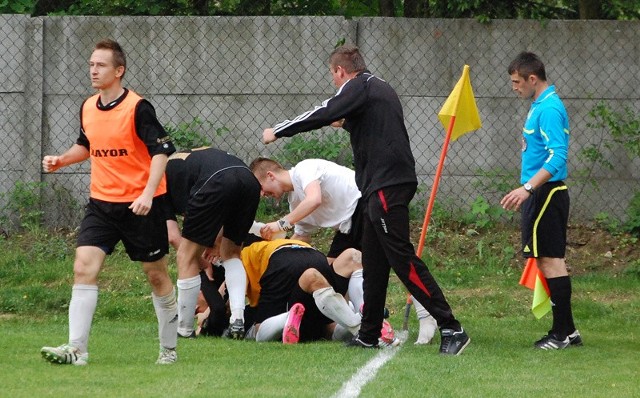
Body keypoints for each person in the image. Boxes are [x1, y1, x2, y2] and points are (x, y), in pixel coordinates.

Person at [261, 44, 469, 354]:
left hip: (387, 185)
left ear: (340, 71)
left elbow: (324, 110)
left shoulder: (360, 85)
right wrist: (347, 122)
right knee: (373, 263)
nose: (334, 84)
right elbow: (373, 127)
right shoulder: (376, 89)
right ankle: (369, 333)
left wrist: (278, 130)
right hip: (376, 188)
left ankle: (451, 327)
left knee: (401, 257)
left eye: (333, 77)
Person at [40, 39, 178, 365]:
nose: (93, 70)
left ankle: (168, 350)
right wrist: (62, 160)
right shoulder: (88, 106)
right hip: (102, 203)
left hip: (142, 205)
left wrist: (147, 193)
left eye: (100, 65)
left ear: (119, 71)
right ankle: (77, 350)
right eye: (90, 64)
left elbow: (162, 151)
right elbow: (86, 145)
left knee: (156, 275)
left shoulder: (138, 107)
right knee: (83, 267)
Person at [501, 52, 582, 350]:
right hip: (543, 194)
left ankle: (560, 334)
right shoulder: (540, 105)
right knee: (549, 259)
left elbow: (558, 155)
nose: (514, 88)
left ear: (532, 79)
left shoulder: (548, 108)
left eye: (516, 82)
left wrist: (528, 188)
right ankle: (569, 332)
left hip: (547, 194)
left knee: (550, 261)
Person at [164, 147, 261, 340]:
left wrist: (201, 260)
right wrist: (209, 246)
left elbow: (174, 237)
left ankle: (183, 329)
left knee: (185, 256)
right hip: (249, 180)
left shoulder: (158, 180)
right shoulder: (189, 160)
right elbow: (215, 215)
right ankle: (237, 319)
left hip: (215, 182)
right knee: (232, 254)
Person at [249, 157, 362, 263]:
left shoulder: (304, 169)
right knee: (330, 270)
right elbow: (301, 236)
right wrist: (276, 253)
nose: (262, 194)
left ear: (270, 176)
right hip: (347, 227)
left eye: (260, 187)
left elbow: (314, 199)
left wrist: (280, 225)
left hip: (365, 205)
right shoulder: (295, 202)